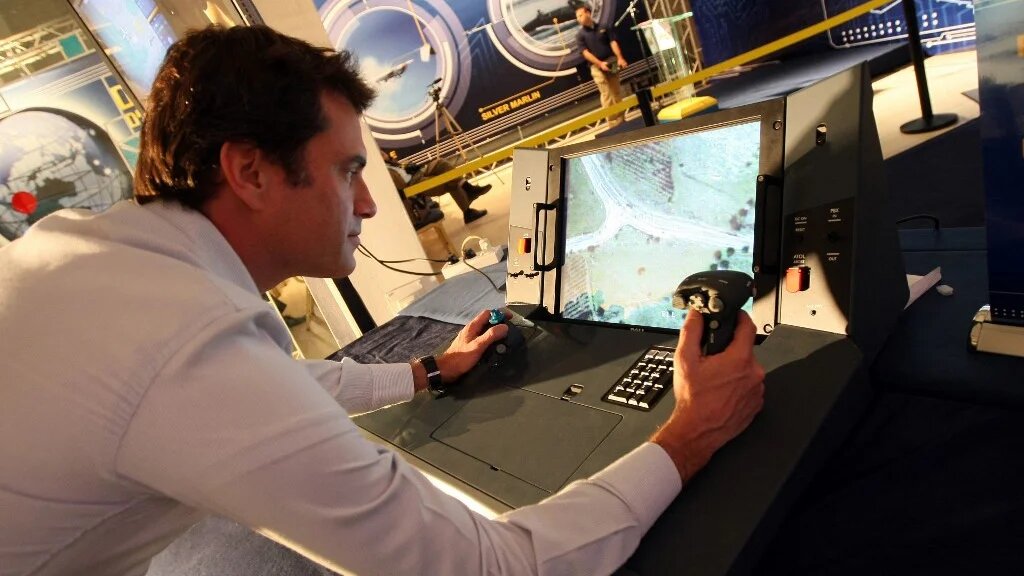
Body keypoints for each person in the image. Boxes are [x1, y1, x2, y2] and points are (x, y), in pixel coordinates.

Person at [0, 24, 763, 576]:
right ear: (252, 173)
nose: (366, 203)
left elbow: (277, 385)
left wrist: (430, 372)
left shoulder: (94, 257)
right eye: (346, 170)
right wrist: (693, 432)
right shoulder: (181, 345)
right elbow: (497, 568)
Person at [384, 152, 491, 225]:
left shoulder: (391, 163)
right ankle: (468, 205)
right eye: (380, 152)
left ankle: (469, 191)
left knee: (441, 163)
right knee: (449, 180)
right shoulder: (384, 170)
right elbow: (401, 186)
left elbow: (403, 170)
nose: (382, 153)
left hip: (420, 172)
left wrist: (408, 166)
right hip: (414, 183)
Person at [576, 4, 629, 128]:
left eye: (580, 15)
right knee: (606, 94)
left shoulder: (604, 27)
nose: (579, 18)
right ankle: (612, 123)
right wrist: (599, 64)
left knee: (616, 92)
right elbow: (585, 53)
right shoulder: (580, 35)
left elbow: (613, 42)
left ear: (588, 13)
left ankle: (622, 120)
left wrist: (620, 58)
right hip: (596, 67)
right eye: (577, 17)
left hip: (611, 62)